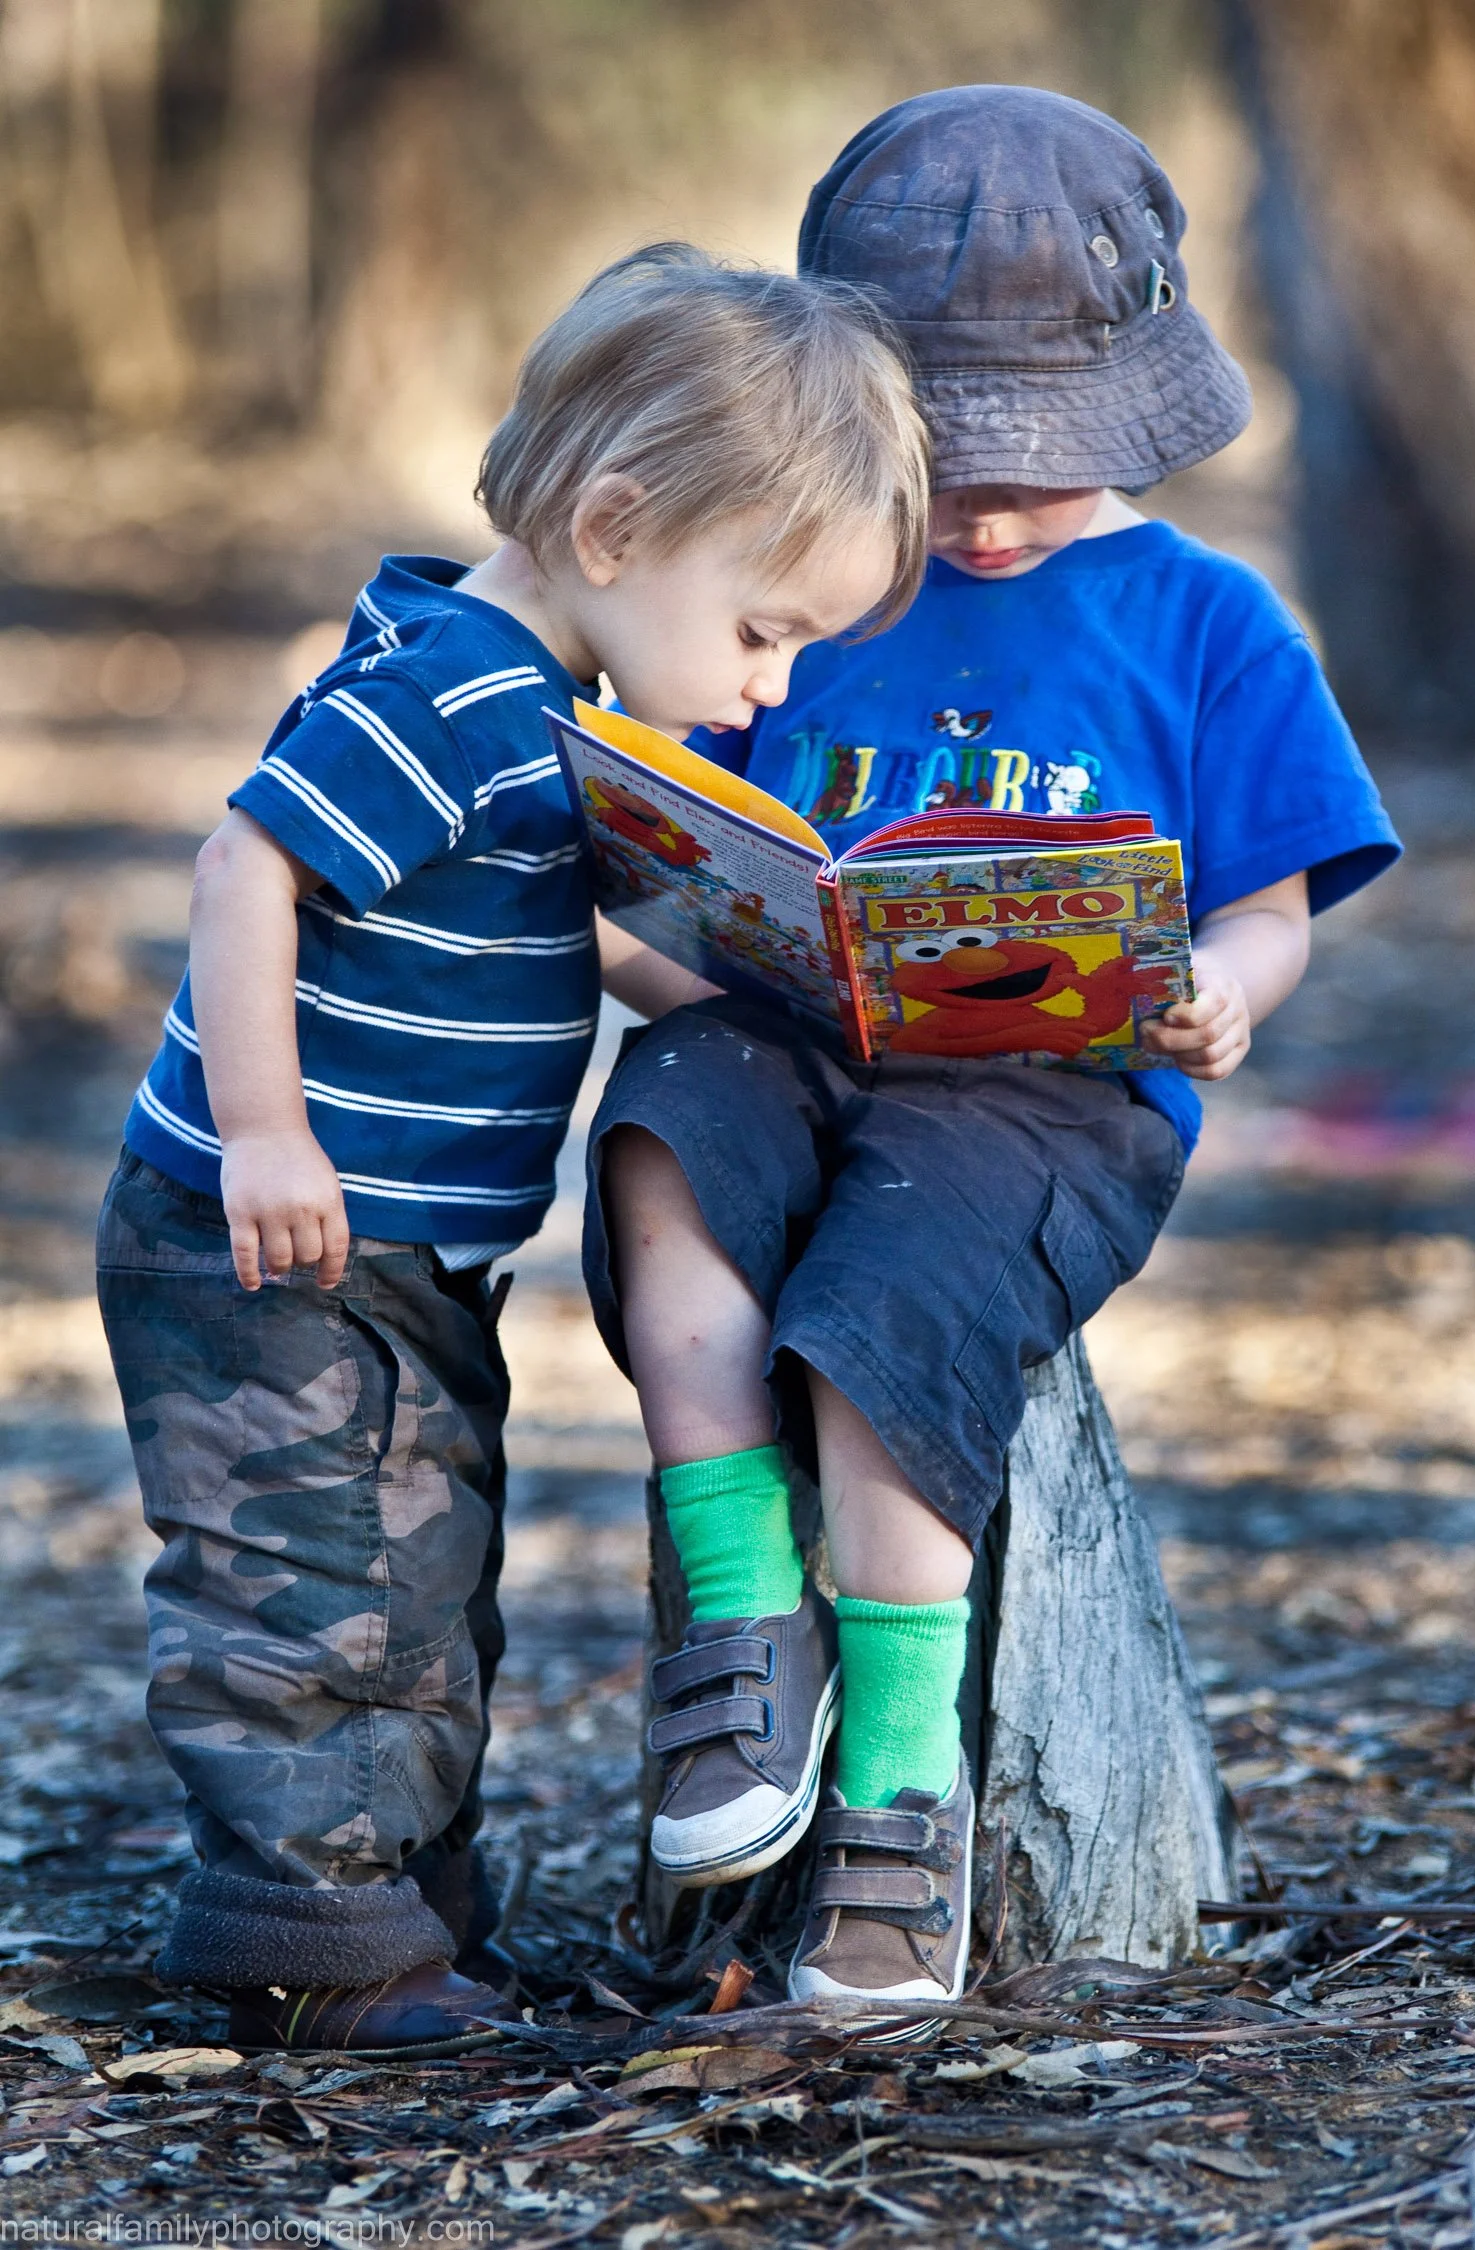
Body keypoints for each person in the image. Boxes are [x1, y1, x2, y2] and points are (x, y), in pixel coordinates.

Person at [585, 90, 1401, 2032]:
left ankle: (902, 1783)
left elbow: (1277, 894)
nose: (991, 509)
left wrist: (1229, 981)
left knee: (886, 1310)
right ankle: (744, 1616)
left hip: (1049, 1101)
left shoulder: (1209, 622)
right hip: (791, 1039)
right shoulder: (807, 586)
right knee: (657, 1150)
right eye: (947, 463)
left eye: (1043, 464)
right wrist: (650, 919)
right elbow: (694, 852)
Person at [95, 243, 929, 2057]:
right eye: (764, 628)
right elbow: (253, 864)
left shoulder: (546, 713)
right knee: (308, 1577)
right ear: (617, 530)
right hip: (276, 1236)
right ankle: (306, 1947)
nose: (770, 686)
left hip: (393, 1247)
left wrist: (791, 973)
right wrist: (264, 1134)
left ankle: (405, 1909)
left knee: (415, 1564)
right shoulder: (462, 694)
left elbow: (560, 940)